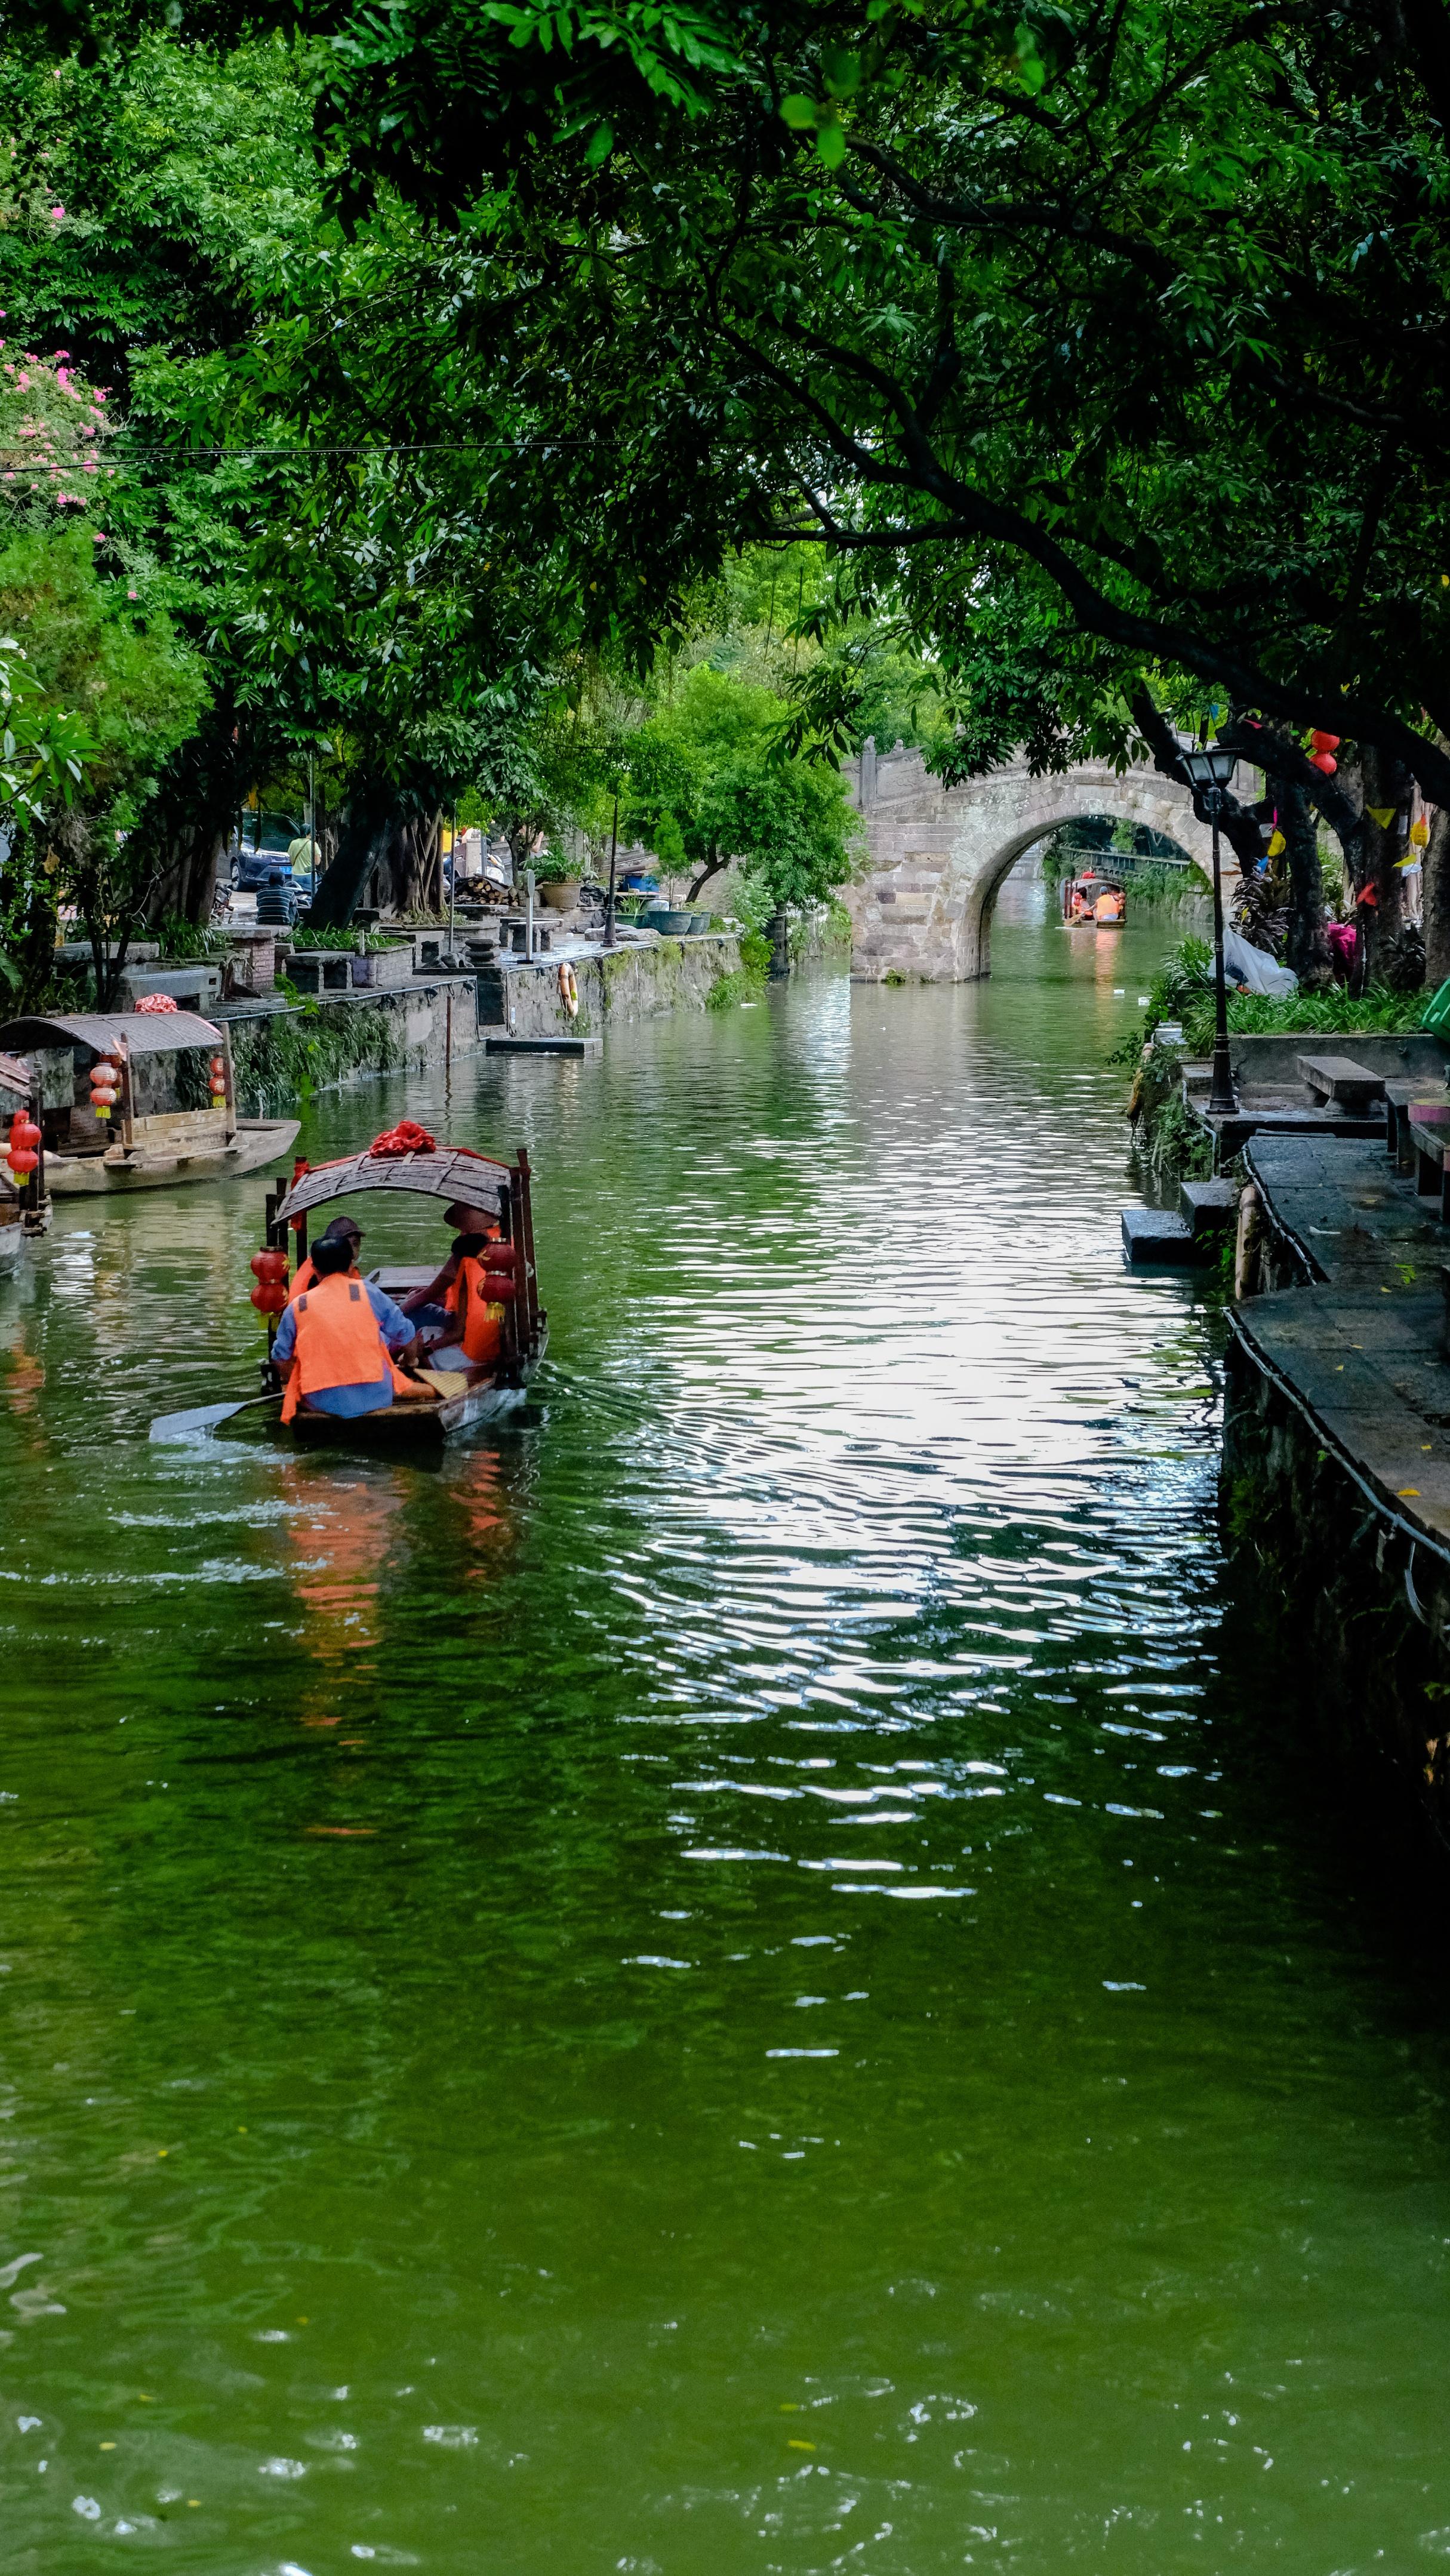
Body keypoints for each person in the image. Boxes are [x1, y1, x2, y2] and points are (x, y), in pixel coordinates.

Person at [273, 1235, 426, 1421]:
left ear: (314, 1269)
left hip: (320, 1402)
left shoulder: (298, 1305)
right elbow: (407, 1335)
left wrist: (297, 1385)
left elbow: (280, 1358)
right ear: (351, 1265)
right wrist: (409, 1364)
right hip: (376, 1397)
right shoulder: (367, 1292)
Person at [400, 1200, 501, 1331]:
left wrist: (392, 1314)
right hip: (491, 1318)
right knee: (416, 1295)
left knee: (411, 1309)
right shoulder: (500, 1238)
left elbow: (427, 1295)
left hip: (468, 1325)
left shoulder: (466, 1250)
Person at [290, 1214, 364, 1301]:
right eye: (347, 1244)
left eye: (355, 1244)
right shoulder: (323, 1268)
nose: (353, 1250)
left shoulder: (336, 1264)